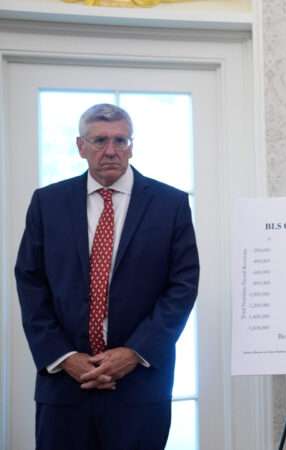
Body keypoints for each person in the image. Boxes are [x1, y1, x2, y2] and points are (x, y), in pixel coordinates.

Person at [15, 103, 199, 450]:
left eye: (121, 140)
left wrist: (134, 352)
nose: (111, 150)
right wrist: (64, 357)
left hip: (140, 384)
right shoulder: (47, 203)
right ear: (80, 146)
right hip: (65, 385)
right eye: (100, 140)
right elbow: (30, 282)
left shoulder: (170, 204)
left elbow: (183, 286)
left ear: (132, 146)